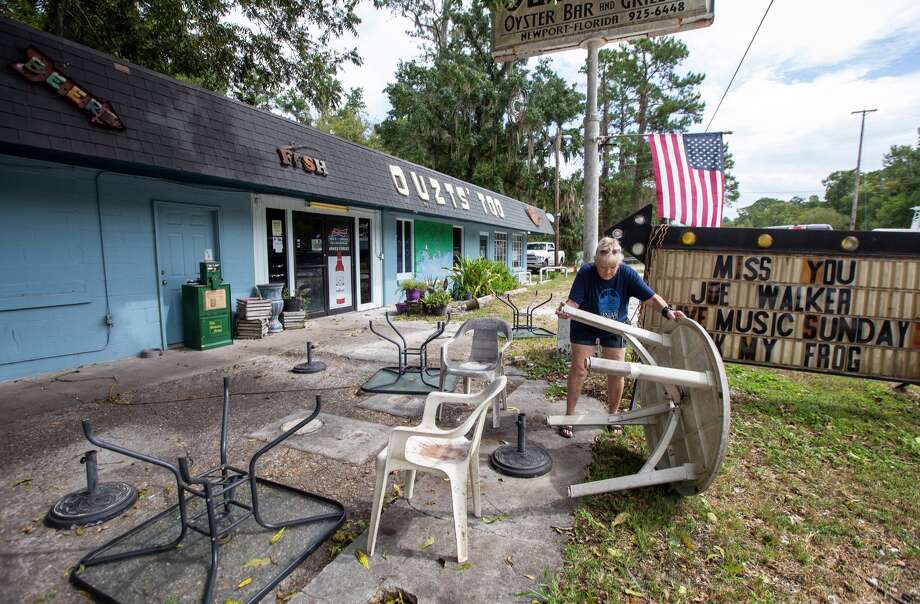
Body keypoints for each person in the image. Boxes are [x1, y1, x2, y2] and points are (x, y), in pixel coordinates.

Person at [554, 237, 685, 438]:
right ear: (596, 262)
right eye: (604, 268)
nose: (608, 272)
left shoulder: (627, 273)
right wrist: (566, 311)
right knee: (579, 369)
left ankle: (614, 416)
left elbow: (650, 297)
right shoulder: (586, 272)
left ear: (619, 263)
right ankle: (569, 417)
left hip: (615, 326)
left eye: (612, 268)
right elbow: (574, 302)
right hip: (585, 325)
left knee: (617, 370)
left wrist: (668, 311)